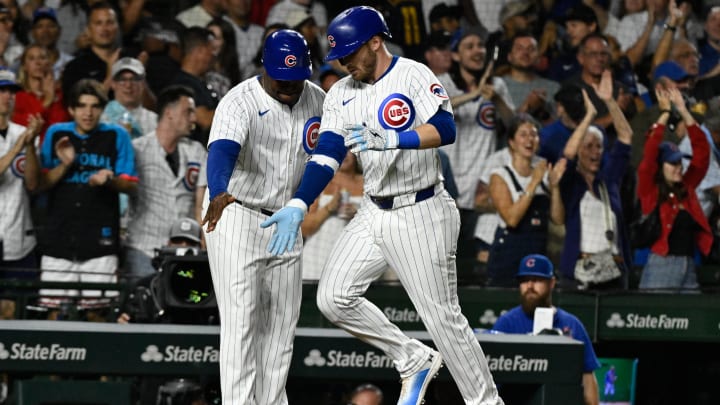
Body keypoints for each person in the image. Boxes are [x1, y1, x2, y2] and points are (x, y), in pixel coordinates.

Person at [262, 7, 503, 405]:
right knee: (333, 298)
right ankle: (411, 357)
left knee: (442, 318)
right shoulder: (340, 92)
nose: (343, 63)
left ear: (376, 42)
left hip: (421, 209)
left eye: (350, 54)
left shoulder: (412, 74)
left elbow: (445, 128)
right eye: (338, 56)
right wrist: (299, 202)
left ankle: (487, 402)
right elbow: (327, 154)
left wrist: (393, 138)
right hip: (374, 209)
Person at [201, 29, 325, 404]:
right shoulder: (238, 101)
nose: (290, 86)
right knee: (242, 321)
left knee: (282, 326)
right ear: (264, 67)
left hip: (286, 219)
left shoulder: (318, 99)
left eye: (296, 78)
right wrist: (218, 188)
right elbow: (221, 150)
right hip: (236, 212)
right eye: (281, 78)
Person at [36, 78, 138, 311]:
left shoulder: (117, 135)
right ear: (71, 108)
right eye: (81, 106)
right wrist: (64, 165)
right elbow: (39, 185)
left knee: (99, 314)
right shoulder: (56, 134)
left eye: (94, 106)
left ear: (102, 109)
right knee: (52, 315)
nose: (88, 113)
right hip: (58, 241)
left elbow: (132, 185)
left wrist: (110, 180)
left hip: (100, 243)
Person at [490, 254, 600, 405]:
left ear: (552, 283)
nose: (529, 286)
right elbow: (490, 379)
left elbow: (587, 376)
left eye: (536, 280)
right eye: (524, 280)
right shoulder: (506, 323)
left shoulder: (571, 324)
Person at [558, 71, 633, 290]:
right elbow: (568, 155)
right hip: (581, 272)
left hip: (615, 271)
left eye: (599, 146)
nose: (595, 151)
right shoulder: (571, 183)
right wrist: (589, 116)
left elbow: (626, 136)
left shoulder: (608, 180)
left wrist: (609, 101)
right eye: (588, 146)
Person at [124, 85, 205, 285]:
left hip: (185, 248)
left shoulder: (197, 152)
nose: (194, 119)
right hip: (143, 247)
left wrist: (204, 242)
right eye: (188, 111)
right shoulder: (138, 149)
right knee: (144, 307)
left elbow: (201, 206)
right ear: (169, 113)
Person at [637, 86, 710, 291]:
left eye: (679, 163)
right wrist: (666, 113)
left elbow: (702, 154)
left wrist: (685, 112)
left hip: (689, 264)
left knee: (690, 319)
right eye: (672, 164)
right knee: (656, 318)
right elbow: (650, 153)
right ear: (660, 167)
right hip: (662, 264)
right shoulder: (649, 191)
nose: (679, 168)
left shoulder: (686, 187)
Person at [485, 113, 565, 286]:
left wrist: (555, 186)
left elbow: (558, 219)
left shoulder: (544, 171)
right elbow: (512, 219)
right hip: (508, 256)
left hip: (538, 254)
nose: (530, 140)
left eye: (534, 134)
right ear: (512, 143)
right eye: (523, 134)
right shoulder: (500, 175)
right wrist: (534, 182)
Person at [0, 69, 43, 316]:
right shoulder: (21, 136)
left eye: (11, 91)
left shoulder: (24, 134)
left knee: (18, 311)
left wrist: (29, 145)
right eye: (2, 91)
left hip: (19, 237)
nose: (8, 96)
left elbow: (33, 184)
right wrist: (20, 145)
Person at [101, 57, 158, 139]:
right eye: (122, 79)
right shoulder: (101, 119)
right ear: (113, 84)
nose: (128, 85)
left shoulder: (154, 120)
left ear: (143, 83)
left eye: (134, 79)